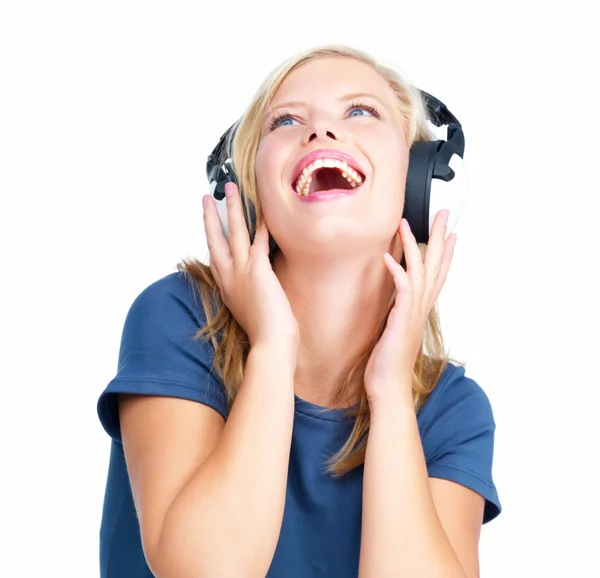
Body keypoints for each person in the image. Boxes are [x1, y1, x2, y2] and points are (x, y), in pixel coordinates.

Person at [97, 44, 501, 578]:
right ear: (242, 197)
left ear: (418, 182)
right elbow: (206, 569)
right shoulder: (178, 320)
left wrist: (391, 396)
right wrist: (273, 345)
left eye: (360, 111)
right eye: (285, 121)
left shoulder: (453, 411)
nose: (321, 132)